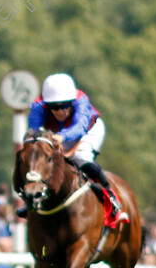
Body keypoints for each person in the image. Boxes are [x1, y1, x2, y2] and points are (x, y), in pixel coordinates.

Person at [20, 73, 125, 223]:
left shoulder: (81, 102)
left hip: (89, 130)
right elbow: (35, 131)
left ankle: (111, 198)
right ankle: (29, 198)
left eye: (65, 106)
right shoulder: (37, 106)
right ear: (46, 104)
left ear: (72, 101)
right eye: (54, 107)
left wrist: (62, 137)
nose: (60, 111)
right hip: (57, 135)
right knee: (36, 158)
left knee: (81, 157)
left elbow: (80, 127)